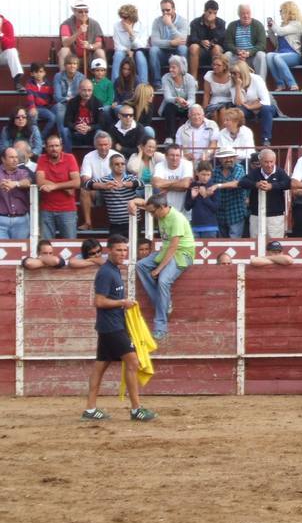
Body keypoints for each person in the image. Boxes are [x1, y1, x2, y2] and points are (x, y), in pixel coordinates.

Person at [82, 234, 156, 422]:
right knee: (132, 363)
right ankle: (136, 409)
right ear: (109, 251)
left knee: (100, 367)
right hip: (111, 327)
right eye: (119, 250)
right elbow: (98, 301)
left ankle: (90, 409)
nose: (123, 253)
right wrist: (123, 302)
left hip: (111, 325)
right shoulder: (107, 272)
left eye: (125, 250)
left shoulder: (113, 270)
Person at [130, 193, 194, 340]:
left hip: (182, 253)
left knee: (163, 280)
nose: (151, 214)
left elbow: (174, 247)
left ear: (162, 207)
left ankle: (161, 327)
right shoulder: (157, 209)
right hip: (165, 251)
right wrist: (132, 201)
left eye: (153, 212)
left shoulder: (176, 218)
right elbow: (143, 203)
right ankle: (163, 302)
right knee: (140, 265)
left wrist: (158, 270)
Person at [35, 134, 81, 238]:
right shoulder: (42, 159)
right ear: (46, 148)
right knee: (45, 245)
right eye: (51, 146)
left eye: (56, 146)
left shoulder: (70, 158)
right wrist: (65, 188)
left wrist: (54, 186)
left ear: (61, 147)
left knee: (69, 245)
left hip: (67, 210)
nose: (54, 149)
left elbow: (77, 182)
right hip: (46, 209)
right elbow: (40, 181)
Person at [238, 148, 290, 239]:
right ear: (260, 162)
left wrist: (272, 186)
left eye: (271, 162)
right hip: (256, 215)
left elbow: (288, 183)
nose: (269, 165)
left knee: (275, 243)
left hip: (275, 216)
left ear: (275, 161)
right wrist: (256, 184)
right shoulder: (255, 173)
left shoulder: (280, 172)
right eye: (266, 162)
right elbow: (242, 182)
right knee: (255, 242)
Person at [232, 60, 277, 147]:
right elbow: (237, 103)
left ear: (243, 72)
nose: (233, 75)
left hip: (264, 108)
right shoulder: (233, 82)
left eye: (235, 73)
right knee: (238, 111)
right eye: (232, 73)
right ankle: (239, 139)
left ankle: (266, 140)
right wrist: (237, 86)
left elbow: (265, 101)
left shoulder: (257, 79)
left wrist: (249, 106)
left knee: (266, 109)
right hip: (249, 108)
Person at [58, 0, 105, 71]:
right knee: (64, 50)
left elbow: (99, 44)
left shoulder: (94, 24)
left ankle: (103, 80)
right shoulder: (66, 24)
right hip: (72, 57)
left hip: (89, 56)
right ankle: (63, 80)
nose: (84, 14)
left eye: (86, 11)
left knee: (100, 52)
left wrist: (90, 46)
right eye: (80, 12)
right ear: (74, 11)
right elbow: (65, 43)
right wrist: (78, 32)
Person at [223, 5, 268, 78]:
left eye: (248, 13)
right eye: (243, 13)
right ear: (239, 15)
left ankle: (261, 83)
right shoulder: (232, 25)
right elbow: (228, 43)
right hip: (237, 55)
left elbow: (262, 45)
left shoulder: (258, 25)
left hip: (252, 56)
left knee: (261, 55)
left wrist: (249, 53)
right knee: (227, 55)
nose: (246, 16)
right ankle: (227, 82)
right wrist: (237, 51)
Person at [187, 0, 226, 79]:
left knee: (217, 48)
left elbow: (221, 40)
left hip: (214, 49)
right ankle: (193, 80)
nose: (212, 15)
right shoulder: (195, 22)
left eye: (215, 13)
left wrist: (213, 26)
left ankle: (217, 78)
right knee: (194, 47)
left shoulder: (221, 23)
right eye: (210, 12)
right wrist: (201, 42)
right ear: (204, 11)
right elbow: (192, 38)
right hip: (200, 50)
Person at [0, 146, 33, 239]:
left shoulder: (23, 172)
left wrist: (15, 184)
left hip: (21, 221)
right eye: (11, 157)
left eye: (16, 157)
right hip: (1, 220)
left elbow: (28, 182)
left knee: (20, 252)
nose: (15, 160)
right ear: (3, 159)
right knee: (2, 252)